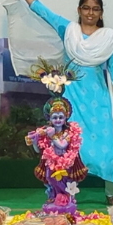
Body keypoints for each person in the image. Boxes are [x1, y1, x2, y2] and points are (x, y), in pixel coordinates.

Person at [5, 0, 113, 205]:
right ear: (79, 10)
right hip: (72, 101)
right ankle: (65, 193)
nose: (90, 13)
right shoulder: (68, 30)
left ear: (101, 13)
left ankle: (110, 196)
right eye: (86, 8)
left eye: (95, 9)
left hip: (100, 103)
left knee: (107, 151)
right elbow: (37, 6)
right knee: (68, 148)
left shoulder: (108, 38)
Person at [27, 79, 88, 214]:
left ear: (66, 118)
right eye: (55, 117)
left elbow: (63, 145)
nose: (58, 120)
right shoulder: (46, 132)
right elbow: (38, 151)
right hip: (51, 163)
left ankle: (65, 198)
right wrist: (35, 140)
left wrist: (52, 136)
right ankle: (55, 197)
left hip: (65, 163)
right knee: (50, 178)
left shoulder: (68, 132)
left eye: (61, 117)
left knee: (65, 181)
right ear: (50, 119)